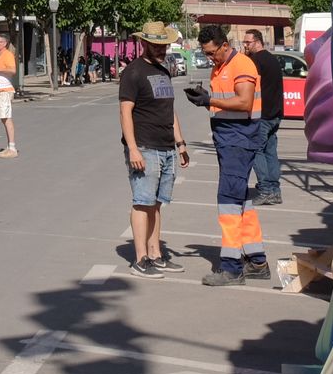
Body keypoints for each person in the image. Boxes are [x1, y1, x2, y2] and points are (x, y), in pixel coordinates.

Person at [188, 23, 270, 283]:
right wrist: (206, 97)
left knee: (229, 203)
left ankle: (232, 267)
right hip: (230, 140)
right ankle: (257, 261)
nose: (209, 58)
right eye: (206, 54)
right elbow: (229, 101)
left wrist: (209, 100)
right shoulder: (221, 65)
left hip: (238, 140)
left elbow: (244, 102)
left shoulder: (241, 64)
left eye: (212, 53)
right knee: (241, 200)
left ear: (225, 45)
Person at [118, 21, 189, 277]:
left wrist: (180, 144)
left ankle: (156, 254)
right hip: (145, 147)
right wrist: (133, 149)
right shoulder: (133, 73)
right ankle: (140, 259)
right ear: (144, 43)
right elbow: (125, 112)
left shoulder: (164, 71)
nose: (162, 49)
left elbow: (170, 111)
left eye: (165, 44)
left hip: (166, 146)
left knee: (156, 205)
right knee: (141, 202)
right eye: (157, 45)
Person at [242, 29, 284, 205]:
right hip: (275, 115)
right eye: (244, 42)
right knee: (270, 152)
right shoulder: (272, 59)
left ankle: (266, 190)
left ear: (257, 42)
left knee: (257, 151)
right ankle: (275, 190)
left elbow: (249, 87)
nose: (245, 45)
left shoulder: (255, 61)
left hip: (262, 115)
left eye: (248, 43)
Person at [0, 32, 20, 158]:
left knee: (7, 118)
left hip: (4, 91)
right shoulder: (0, 56)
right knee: (4, 118)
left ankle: (12, 148)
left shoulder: (7, 55)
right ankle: (9, 146)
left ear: (4, 43)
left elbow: (13, 70)